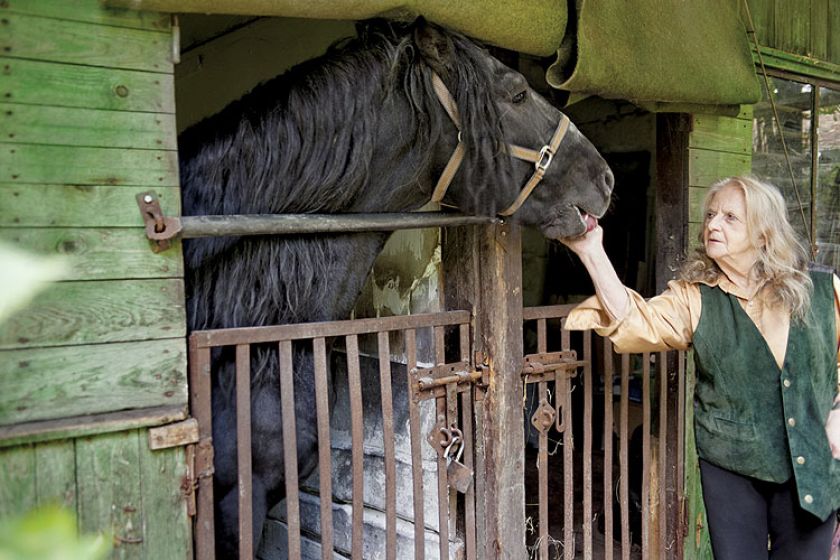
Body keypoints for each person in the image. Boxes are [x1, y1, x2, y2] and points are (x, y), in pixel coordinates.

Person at [562, 176, 840, 559]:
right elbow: (635, 321)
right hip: (732, 466)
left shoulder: (824, 290)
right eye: (710, 215)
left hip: (812, 464)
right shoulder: (694, 298)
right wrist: (592, 251)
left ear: (763, 233)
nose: (712, 225)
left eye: (730, 217)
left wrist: (838, 413)